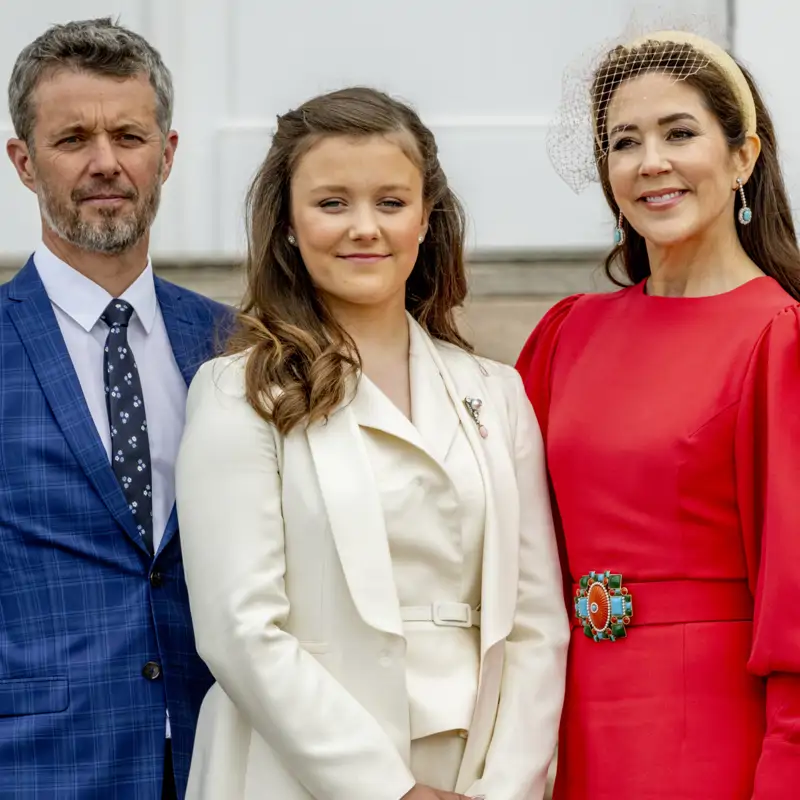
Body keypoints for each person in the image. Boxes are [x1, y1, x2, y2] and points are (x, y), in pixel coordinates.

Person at [175, 86, 569, 800]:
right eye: (332, 203)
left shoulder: (497, 393)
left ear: (427, 218)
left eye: (390, 202)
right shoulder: (238, 393)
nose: (364, 227)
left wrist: (506, 787)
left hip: (472, 768)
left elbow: (538, 625)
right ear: (289, 224)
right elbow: (241, 630)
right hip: (296, 772)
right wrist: (391, 792)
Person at [516, 29, 800, 800]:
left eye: (680, 133)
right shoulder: (566, 334)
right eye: (624, 142)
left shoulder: (781, 340)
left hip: (712, 729)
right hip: (560, 718)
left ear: (744, 157)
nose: (651, 163)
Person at [1, 18, 228, 799]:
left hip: (220, 758)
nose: (106, 163)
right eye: (72, 140)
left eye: (129, 135)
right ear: (23, 163)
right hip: (40, 766)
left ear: (165, 153)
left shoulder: (236, 344)